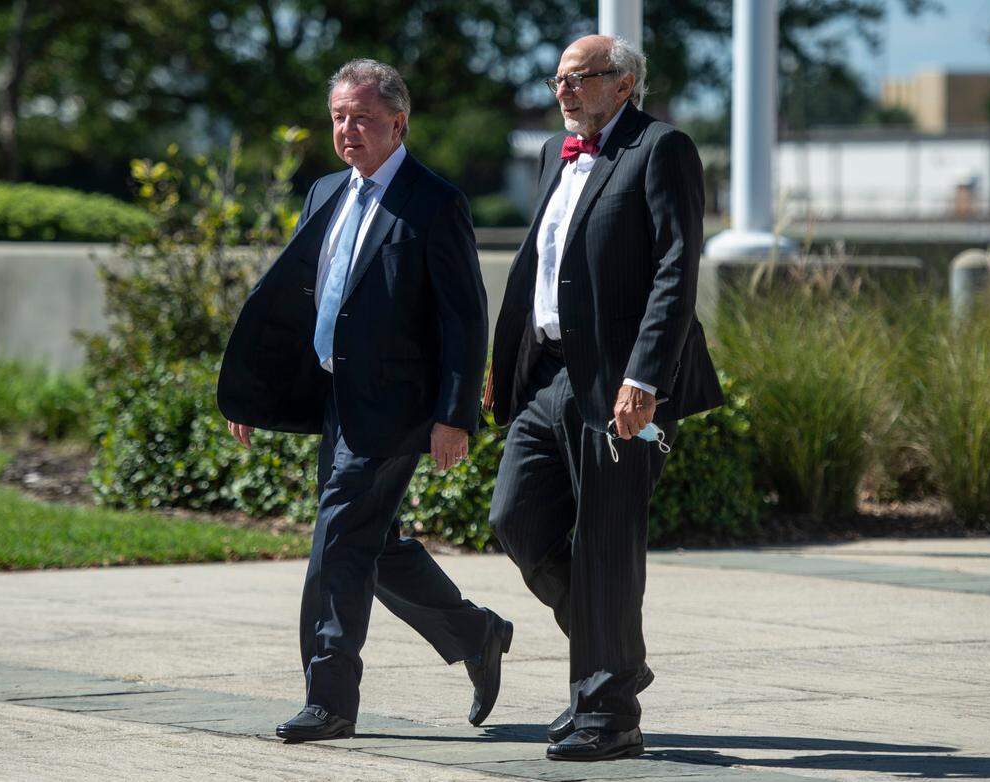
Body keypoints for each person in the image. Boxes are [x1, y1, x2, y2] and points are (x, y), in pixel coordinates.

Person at [218, 59, 511, 742]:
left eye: (363, 118)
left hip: (398, 407)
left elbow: (465, 317)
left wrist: (455, 415)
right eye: (339, 117)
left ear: (398, 123)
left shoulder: (434, 201)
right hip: (336, 400)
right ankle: (476, 632)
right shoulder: (324, 192)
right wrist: (255, 391)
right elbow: (300, 302)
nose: (348, 130)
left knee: (337, 541)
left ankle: (329, 699)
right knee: (368, 544)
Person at [484, 35, 724, 761]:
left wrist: (645, 377)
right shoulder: (554, 157)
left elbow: (676, 270)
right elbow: (538, 271)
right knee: (515, 519)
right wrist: (507, 361)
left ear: (622, 84)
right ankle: (611, 657)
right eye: (557, 78)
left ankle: (609, 714)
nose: (562, 91)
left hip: (622, 387)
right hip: (549, 377)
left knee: (608, 548)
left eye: (578, 79)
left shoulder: (662, 149)